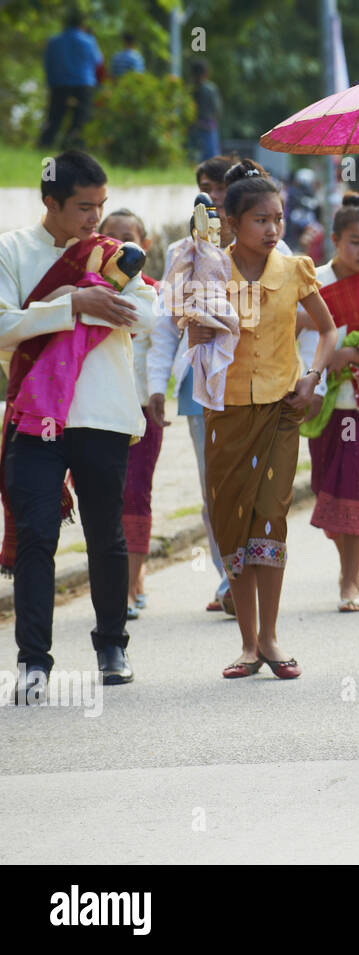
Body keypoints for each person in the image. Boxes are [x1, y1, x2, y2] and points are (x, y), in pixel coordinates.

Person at [1, 150, 153, 699]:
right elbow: (1, 326)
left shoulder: (113, 254)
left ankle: (112, 645)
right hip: (35, 416)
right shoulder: (12, 250)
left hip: (102, 416)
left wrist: (74, 301)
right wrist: (69, 303)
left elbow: (149, 314)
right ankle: (33, 661)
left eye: (102, 206)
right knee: (37, 537)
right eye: (85, 208)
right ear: (51, 204)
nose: (96, 219)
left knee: (105, 535)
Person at [194, 159, 337, 680]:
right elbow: (192, 337)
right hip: (225, 410)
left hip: (281, 408)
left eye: (277, 218)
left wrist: (312, 378)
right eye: (260, 220)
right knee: (231, 518)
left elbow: (328, 331)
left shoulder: (295, 269)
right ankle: (248, 643)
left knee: (270, 517)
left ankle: (272, 638)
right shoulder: (206, 269)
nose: (273, 229)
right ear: (231, 223)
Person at [152, 155, 239, 614]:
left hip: (251, 383)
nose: (217, 195)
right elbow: (166, 322)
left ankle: (255, 576)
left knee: (251, 486)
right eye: (208, 187)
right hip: (198, 386)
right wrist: (156, 385)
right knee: (213, 487)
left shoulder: (265, 244)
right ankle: (229, 580)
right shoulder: (179, 254)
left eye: (224, 186)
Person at [297, 193, 359, 611]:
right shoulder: (312, 282)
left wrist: (355, 355)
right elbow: (292, 335)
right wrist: (305, 381)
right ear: (334, 239)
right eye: (354, 241)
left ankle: (351, 579)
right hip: (319, 402)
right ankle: (346, 564)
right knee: (327, 487)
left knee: (356, 488)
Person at [100, 209, 161, 619]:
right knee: (104, 497)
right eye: (114, 239)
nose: (124, 246)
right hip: (98, 411)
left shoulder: (155, 294)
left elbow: (163, 352)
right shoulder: (91, 289)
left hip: (142, 409)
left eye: (130, 238)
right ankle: (113, 582)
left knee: (137, 492)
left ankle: (134, 580)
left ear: (146, 245)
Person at [38, 11, 103, 150]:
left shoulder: (54, 41)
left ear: (64, 23)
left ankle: (44, 145)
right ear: (81, 24)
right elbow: (98, 61)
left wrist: (51, 83)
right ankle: (71, 147)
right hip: (83, 85)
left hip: (59, 85)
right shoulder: (89, 41)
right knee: (80, 121)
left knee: (54, 119)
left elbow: (48, 64)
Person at [188, 61, 222, 163]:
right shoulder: (210, 89)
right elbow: (217, 108)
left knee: (191, 154)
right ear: (206, 73)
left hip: (192, 126)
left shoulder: (189, 88)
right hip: (208, 125)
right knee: (211, 156)